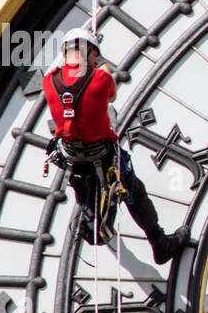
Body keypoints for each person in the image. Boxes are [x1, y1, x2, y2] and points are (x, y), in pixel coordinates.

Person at [42, 28, 189, 264]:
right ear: (86, 52)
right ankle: (159, 242)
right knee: (135, 193)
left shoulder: (49, 82)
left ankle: (93, 223)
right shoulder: (99, 78)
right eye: (93, 55)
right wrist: (101, 66)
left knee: (87, 196)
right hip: (104, 158)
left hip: (74, 161)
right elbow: (111, 95)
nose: (95, 60)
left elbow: (62, 70)